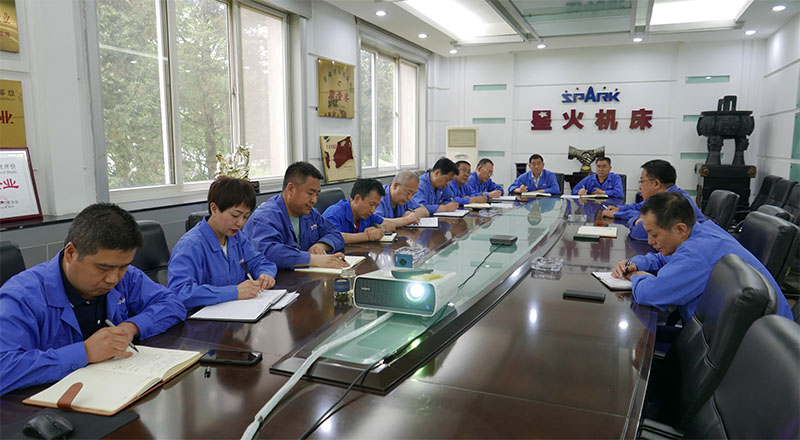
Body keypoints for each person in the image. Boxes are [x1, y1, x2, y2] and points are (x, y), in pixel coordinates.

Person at [0, 204, 187, 395]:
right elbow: (3, 368)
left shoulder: (126, 276)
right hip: (47, 403)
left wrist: (131, 327)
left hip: (114, 391)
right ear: (71, 253)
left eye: (123, 267)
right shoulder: (22, 296)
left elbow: (172, 304)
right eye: (103, 268)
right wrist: (85, 352)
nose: (113, 279)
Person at [611, 192, 792, 322]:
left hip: (754, 349)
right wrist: (635, 262)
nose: (650, 241)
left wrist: (636, 277)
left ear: (680, 229)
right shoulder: (703, 231)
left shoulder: (697, 253)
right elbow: (663, 258)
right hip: (745, 332)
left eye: (654, 234)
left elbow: (650, 293)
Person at [168, 177, 277, 309]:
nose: (240, 223)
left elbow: (260, 262)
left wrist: (265, 275)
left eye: (245, 217)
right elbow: (180, 293)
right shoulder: (190, 245)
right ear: (214, 209)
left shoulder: (237, 237)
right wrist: (234, 292)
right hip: (203, 319)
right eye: (235, 215)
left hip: (239, 313)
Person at [242, 161, 346, 270]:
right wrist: (312, 259)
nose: (314, 200)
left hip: (305, 276)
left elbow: (335, 234)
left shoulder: (310, 213)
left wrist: (320, 245)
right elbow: (268, 252)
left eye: (317, 194)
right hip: (273, 278)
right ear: (291, 189)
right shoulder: (265, 217)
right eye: (310, 193)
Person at [602, 159, 705, 241]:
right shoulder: (664, 196)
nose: (640, 187)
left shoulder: (674, 202)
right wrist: (618, 209)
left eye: (642, 181)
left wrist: (634, 220)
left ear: (656, 183)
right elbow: (640, 207)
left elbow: (638, 231)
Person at [322, 178, 402, 244]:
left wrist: (379, 229)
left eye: (376, 206)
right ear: (357, 199)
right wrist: (368, 236)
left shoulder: (366, 215)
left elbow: (390, 225)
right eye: (371, 204)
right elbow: (333, 237)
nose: (373, 210)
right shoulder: (334, 213)